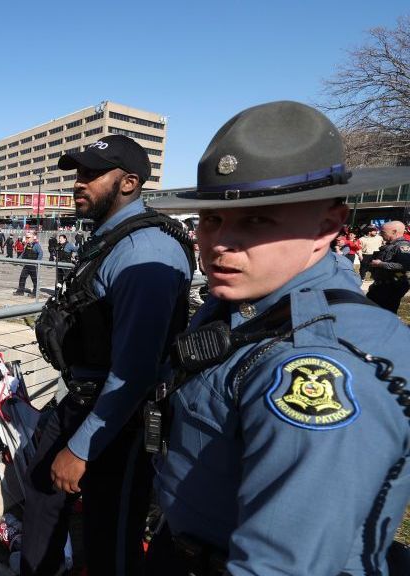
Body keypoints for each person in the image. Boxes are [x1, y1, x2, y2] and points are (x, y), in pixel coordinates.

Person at [145, 100, 410, 576]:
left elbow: (283, 565)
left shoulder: (317, 366)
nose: (219, 243)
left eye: (257, 220)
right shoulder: (245, 300)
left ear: (327, 227)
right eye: (211, 218)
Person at [24, 134, 193, 576]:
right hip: (83, 398)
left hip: (119, 419)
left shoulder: (145, 253)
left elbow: (135, 372)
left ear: (129, 183)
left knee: (110, 539)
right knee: (42, 491)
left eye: (92, 175)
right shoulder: (111, 237)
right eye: (78, 173)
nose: (79, 183)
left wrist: (81, 449)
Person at [365, 220, 410, 313]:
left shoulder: (402, 246)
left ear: (394, 232)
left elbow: (404, 265)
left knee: (384, 314)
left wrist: (380, 264)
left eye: (383, 232)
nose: (380, 234)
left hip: (391, 287)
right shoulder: (391, 245)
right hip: (382, 285)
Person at [14, 231, 43, 296]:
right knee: (22, 277)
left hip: (33, 266)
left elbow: (41, 253)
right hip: (27, 265)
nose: (27, 239)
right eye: (26, 237)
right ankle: (20, 291)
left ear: (33, 237)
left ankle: (35, 293)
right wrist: (17, 260)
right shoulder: (27, 245)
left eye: (28, 237)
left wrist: (37, 262)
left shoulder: (36, 245)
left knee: (35, 280)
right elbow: (23, 254)